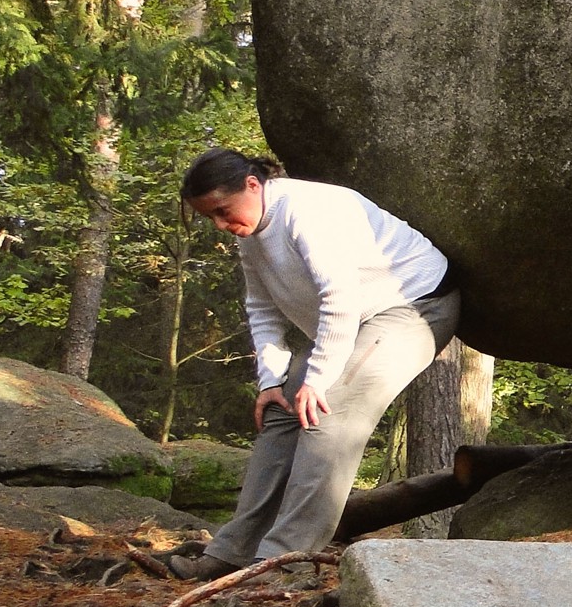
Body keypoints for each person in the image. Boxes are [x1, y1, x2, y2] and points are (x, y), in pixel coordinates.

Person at [172, 148, 460, 581]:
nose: (220, 224)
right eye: (209, 217)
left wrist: (319, 379)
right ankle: (232, 552)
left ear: (254, 185)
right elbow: (262, 305)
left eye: (222, 211)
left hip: (415, 306)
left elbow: (339, 297)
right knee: (282, 410)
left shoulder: (306, 211)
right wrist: (273, 380)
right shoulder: (250, 232)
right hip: (356, 319)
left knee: (328, 414)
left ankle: (285, 563)